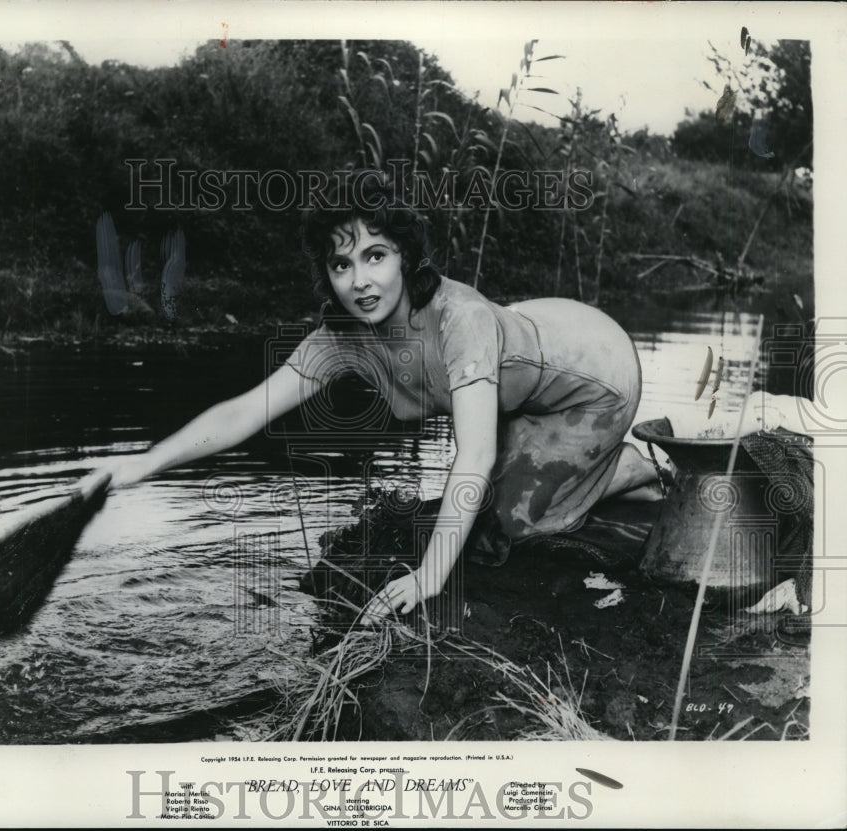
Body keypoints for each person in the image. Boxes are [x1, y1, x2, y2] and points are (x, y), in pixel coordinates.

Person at [104, 171, 661, 625]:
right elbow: (246, 410)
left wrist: (428, 576)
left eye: (375, 256)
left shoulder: (458, 320)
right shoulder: (343, 338)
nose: (359, 281)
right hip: (533, 351)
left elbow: (473, 455)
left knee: (510, 525)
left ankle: (631, 468)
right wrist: (142, 464)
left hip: (595, 378)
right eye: (341, 264)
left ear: (406, 257)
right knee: (472, 508)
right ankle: (587, 473)